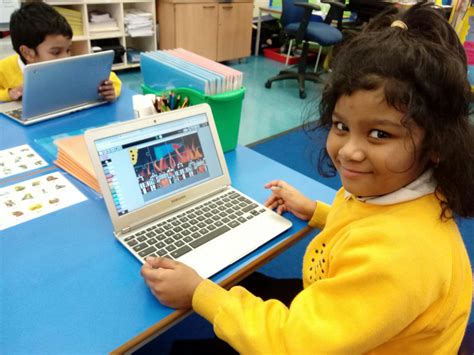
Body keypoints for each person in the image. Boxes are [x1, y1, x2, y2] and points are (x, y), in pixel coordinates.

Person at [141, 3, 474, 353]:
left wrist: (198, 293)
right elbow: (370, 224)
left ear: (437, 142)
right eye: (341, 127)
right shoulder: (398, 192)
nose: (349, 151)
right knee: (251, 285)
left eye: (379, 134)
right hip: (347, 314)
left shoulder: (402, 255)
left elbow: (294, 344)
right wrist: (316, 210)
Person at [0, 2, 121, 102]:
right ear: (27, 53)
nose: (65, 57)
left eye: (68, 49)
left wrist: (110, 89)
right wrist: (9, 93)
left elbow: (110, 78)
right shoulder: (4, 69)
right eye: (56, 52)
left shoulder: (70, 66)